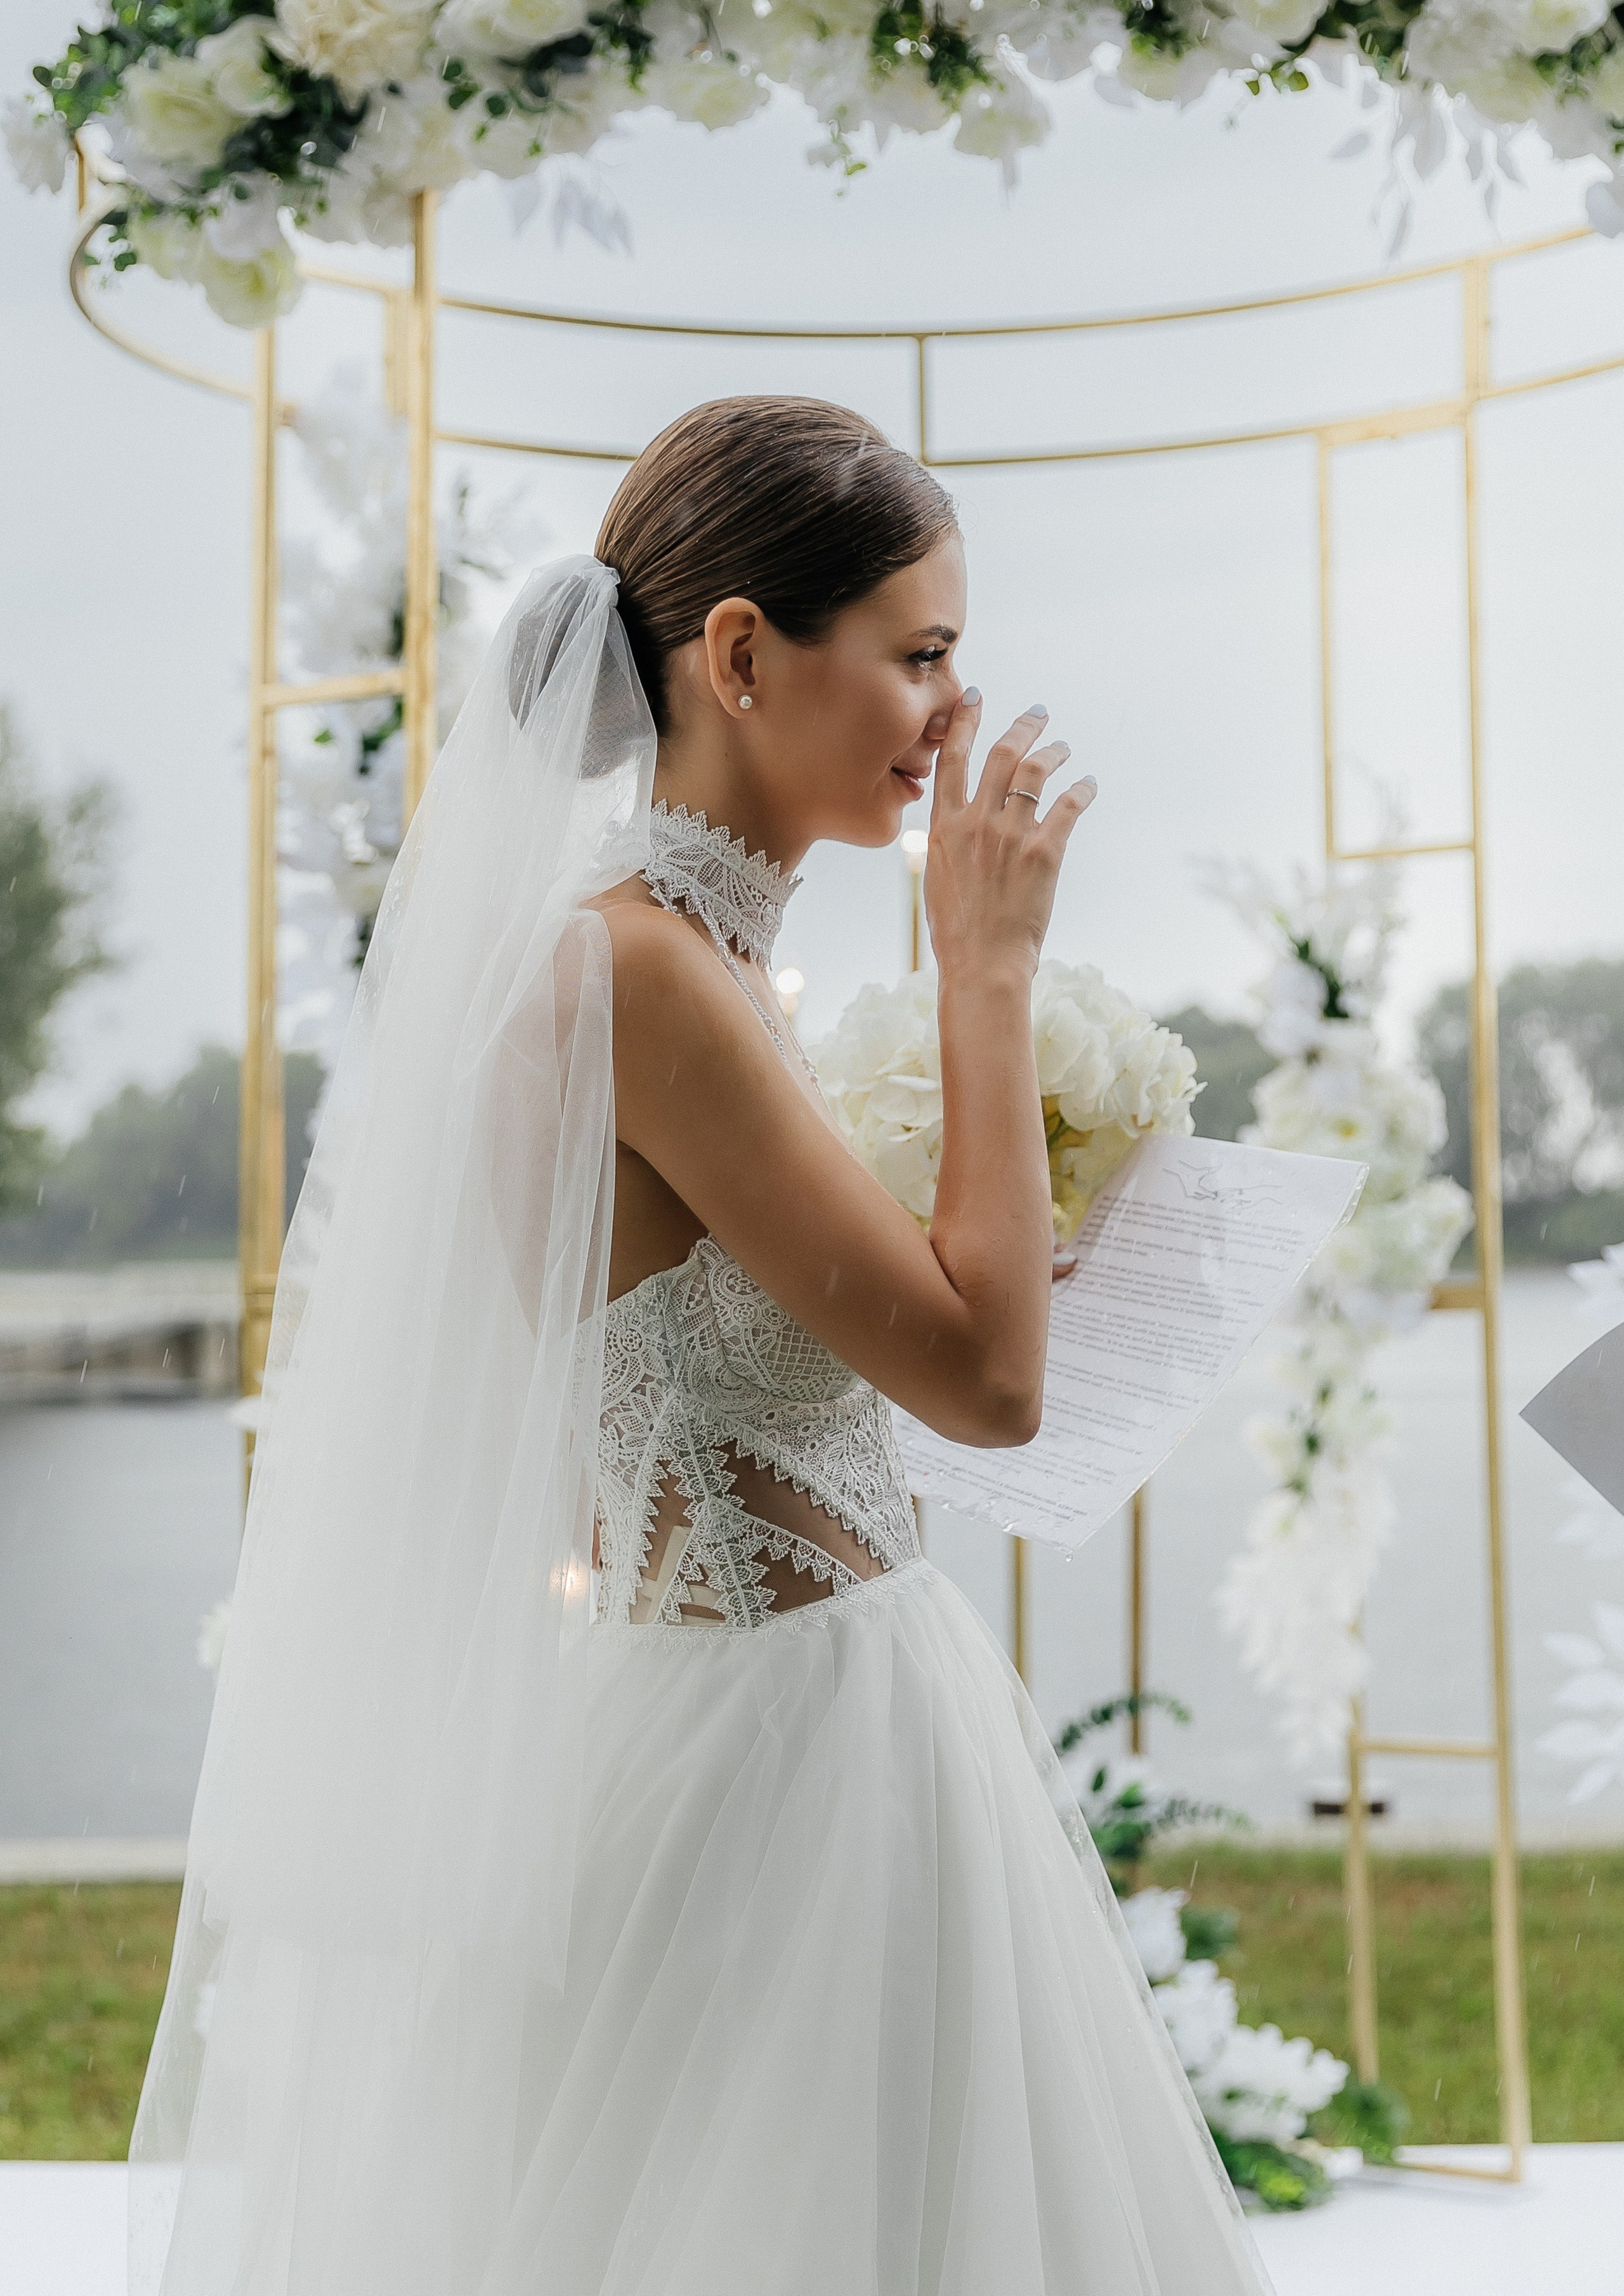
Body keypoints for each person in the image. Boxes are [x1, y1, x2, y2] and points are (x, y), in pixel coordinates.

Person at [131, 397, 1273, 2296]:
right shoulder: (639, 975)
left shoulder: (710, 963)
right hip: (780, 1746)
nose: (951, 723)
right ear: (741, 655)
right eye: (919, 659)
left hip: (810, 1699)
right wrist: (984, 974)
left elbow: (815, 1351)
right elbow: (984, 1388)